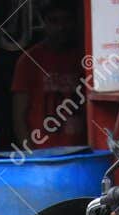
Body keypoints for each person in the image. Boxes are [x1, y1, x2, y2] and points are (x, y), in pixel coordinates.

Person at [10, 2, 86, 150]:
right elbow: (19, 116)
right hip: (43, 152)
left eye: (66, 20)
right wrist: (32, 155)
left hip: (82, 151)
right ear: (44, 23)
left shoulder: (84, 56)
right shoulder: (29, 60)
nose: (61, 27)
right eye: (54, 21)